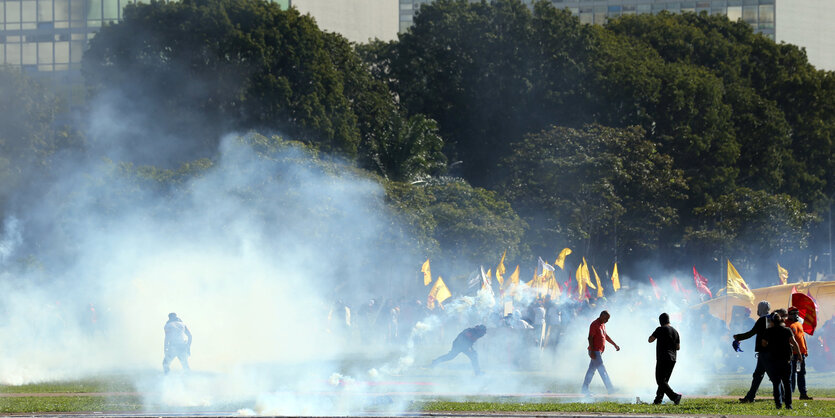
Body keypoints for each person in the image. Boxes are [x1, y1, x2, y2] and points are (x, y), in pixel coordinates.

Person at [733, 300, 771, 403]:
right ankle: (750, 396)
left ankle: (783, 397)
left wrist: (738, 337)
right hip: (770, 352)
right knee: (759, 375)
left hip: (764, 352)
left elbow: (751, 333)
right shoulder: (771, 319)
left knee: (769, 376)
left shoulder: (762, 320)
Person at [762, 311, 800, 410]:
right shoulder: (787, 330)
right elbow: (794, 343)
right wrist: (799, 355)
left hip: (773, 360)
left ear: (772, 322)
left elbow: (764, 343)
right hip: (786, 360)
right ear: (782, 321)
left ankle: (778, 404)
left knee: (776, 383)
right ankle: (789, 405)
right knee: (787, 383)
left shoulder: (768, 331)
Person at [581, 310, 620, 395]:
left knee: (591, 371)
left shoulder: (602, 325)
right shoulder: (594, 324)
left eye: (608, 319)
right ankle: (610, 389)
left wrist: (615, 344)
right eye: (606, 318)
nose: (607, 321)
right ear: (602, 316)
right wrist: (591, 350)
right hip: (595, 351)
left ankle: (584, 388)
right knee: (602, 370)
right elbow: (590, 338)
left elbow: (606, 336)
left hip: (598, 351)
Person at [648, 313, 682, 405]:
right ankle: (658, 400)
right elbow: (678, 347)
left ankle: (675, 396)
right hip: (673, 359)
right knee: (664, 381)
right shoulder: (675, 331)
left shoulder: (660, 329)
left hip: (662, 358)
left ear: (660, 321)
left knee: (660, 380)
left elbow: (650, 340)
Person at [786, 307, 813, 400]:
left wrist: (805, 350)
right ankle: (789, 393)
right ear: (788, 314)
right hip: (792, 354)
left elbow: (802, 337)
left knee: (801, 374)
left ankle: (803, 394)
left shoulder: (799, 323)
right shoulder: (786, 324)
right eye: (792, 313)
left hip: (800, 354)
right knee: (791, 374)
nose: (795, 315)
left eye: (796, 313)